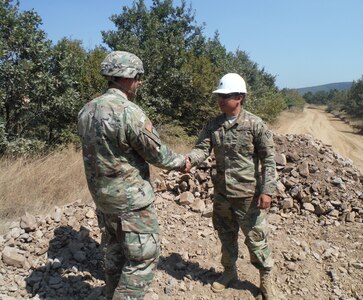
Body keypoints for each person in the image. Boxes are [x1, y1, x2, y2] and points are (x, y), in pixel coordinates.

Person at [77, 51, 190, 300]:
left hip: (103, 200)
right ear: (127, 77)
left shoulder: (86, 111)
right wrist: (183, 163)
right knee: (143, 259)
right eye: (138, 77)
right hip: (132, 203)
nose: (140, 82)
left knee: (114, 252)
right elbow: (157, 153)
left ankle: (110, 293)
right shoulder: (129, 112)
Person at [186, 73, 277, 299]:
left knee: (256, 238)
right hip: (222, 194)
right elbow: (202, 148)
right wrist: (189, 160)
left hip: (247, 195)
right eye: (219, 96)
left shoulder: (255, 124)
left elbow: (269, 159)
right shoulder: (214, 124)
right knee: (226, 236)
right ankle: (229, 273)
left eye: (225, 96)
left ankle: (266, 279)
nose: (220, 100)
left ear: (240, 97)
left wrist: (267, 190)